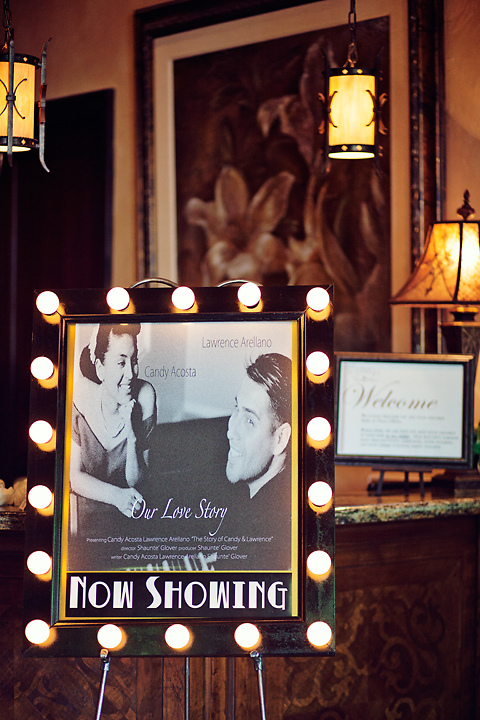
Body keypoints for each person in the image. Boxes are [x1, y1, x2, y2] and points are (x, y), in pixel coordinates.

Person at [69, 323, 156, 527]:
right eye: (120, 363)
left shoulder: (145, 395)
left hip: (131, 516)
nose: (131, 374)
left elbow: (138, 481)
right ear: (100, 368)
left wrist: (132, 436)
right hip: (84, 514)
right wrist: (116, 496)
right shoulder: (79, 396)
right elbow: (75, 477)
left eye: (134, 361)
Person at [225, 352, 292, 569]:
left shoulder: (269, 531)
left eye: (249, 420)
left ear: (280, 439)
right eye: (236, 408)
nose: (230, 432)